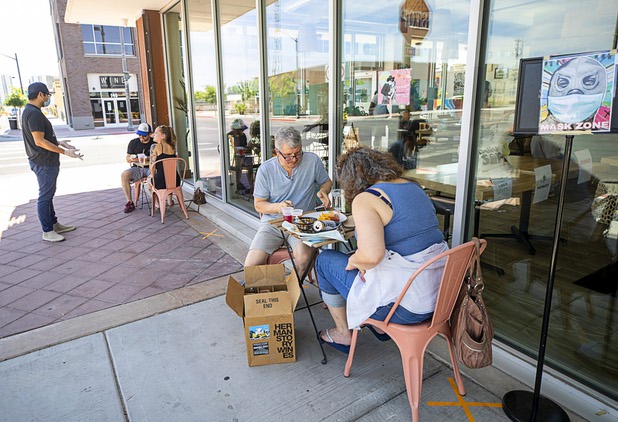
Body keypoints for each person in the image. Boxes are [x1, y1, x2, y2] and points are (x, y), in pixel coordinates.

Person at [315, 147, 448, 353]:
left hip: (408, 307)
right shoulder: (413, 187)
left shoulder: (366, 198)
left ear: (351, 179)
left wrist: (353, 263)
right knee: (358, 262)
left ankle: (343, 333)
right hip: (440, 298)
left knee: (325, 260)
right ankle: (377, 326)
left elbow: (371, 256)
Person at [245, 126, 332, 275]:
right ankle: (273, 294)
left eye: (298, 153)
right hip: (273, 224)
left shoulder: (312, 161)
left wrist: (323, 191)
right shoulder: (266, 170)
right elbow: (259, 205)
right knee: (251, 264)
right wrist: (278, 207)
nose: (294, 159)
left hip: (303, 222)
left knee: (304, 258)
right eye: (288, 155)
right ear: (277, 151)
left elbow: (327, 182)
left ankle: (293, 292)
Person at [22, 82, 83, 242]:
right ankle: (47, 231)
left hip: (43, 161)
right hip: (44, 162)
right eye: (48, 95)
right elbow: (40, 141)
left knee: (48, 195)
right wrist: (65, 152)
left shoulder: (30, 111)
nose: (49, 98)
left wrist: (60, 143)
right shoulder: (33, 113)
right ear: (41, 95)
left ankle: (54, 224)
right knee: (45, 197)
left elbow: (44, 138)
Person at [120, 122, 155, 213]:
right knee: (124, 175)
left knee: (154, 178)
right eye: (139, 135)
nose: (141, 138)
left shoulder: (154, 143)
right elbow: (127, 158)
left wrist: (148, 159)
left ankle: (157, 202)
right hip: (137, 167)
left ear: (150, 134)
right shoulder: (133, 142)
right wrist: (132, 159)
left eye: (144, 136)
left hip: (150, 167)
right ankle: (129, 202)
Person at [227, 118, 254, 194]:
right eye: (241, 130)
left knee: (250, 165)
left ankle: (251, 185)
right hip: (234, 156)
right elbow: (232, 148)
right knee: (238, 164)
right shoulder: (230, 136)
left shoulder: (243, 136)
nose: (242, 131)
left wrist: (247, 148)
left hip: (243, 155)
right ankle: (237, 183)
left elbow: (244, 146)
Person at [150, 125, 180, 189]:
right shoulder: (172, 147)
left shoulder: (155, 147)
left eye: (156, 133)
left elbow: (152, 167)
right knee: (169, 181)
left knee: (149, 181)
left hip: (161, 181)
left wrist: (152, 176)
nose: (153, 135)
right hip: (175, 180)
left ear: (163, 136)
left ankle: (158, 199)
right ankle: (169, 199)